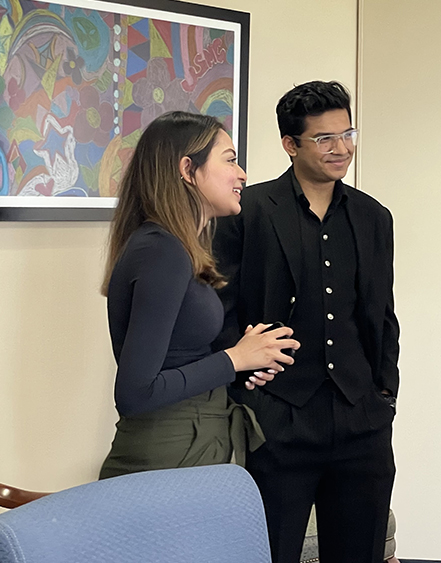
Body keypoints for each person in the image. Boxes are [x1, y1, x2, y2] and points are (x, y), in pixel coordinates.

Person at [213, 81, 398, 563]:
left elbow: (382, 315)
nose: (342, 148)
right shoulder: (246, 211)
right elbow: (223, 311)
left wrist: (384, 395)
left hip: (362, 419)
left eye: (347, 133)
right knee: (269, 553)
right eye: (324, 138)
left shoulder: (374, 215)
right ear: (290, 145)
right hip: (278, 417)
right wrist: (244, 390)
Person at [100, 111, 299, 480]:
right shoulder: (162, 250)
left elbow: (180, 361)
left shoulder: (176, 248)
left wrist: (242, 365)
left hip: (193, 442)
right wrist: (234, 358)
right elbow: (134, 393)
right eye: (230, 160)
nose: (242, 174)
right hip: (168, 456)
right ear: (188, 169)